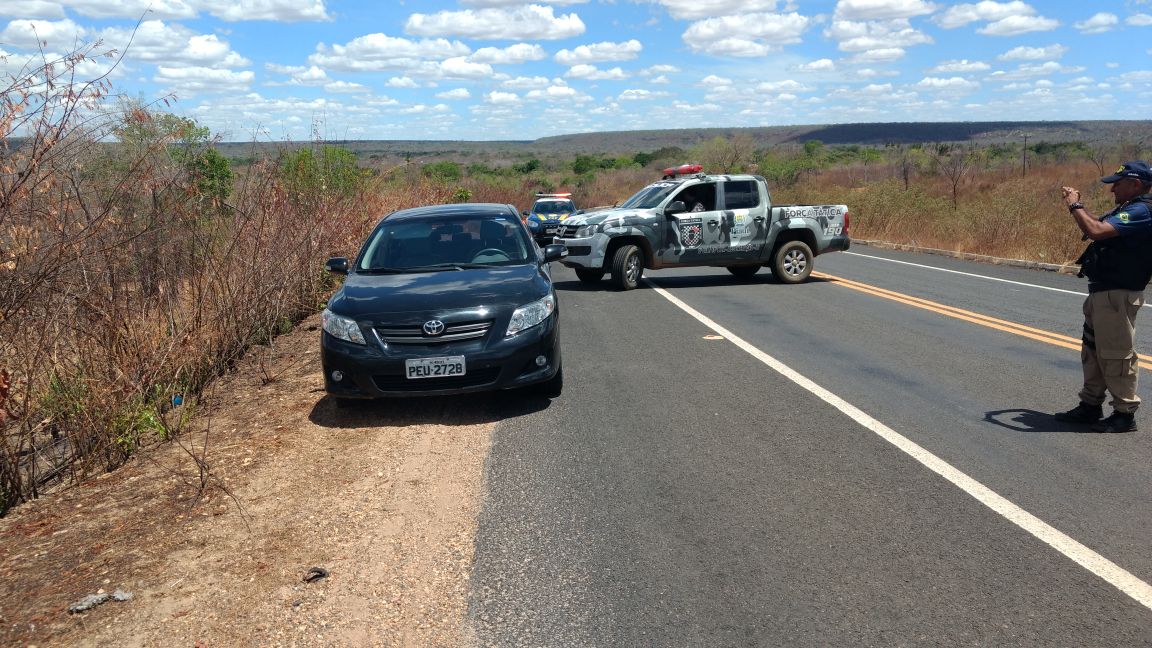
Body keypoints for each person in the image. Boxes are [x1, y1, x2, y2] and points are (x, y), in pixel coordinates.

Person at [1054, 160, 1152, 433]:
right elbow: (1097, 226)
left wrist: (1075, 205)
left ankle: (1124, 412)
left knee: (1117, 354)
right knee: (1093, 351)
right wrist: (1079, 208)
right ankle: (1090, 405)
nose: (1112, 190)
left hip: (1118, 294)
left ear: (1135, 184)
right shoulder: (1127, 209)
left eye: (1117, 184)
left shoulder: (1142, 211)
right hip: (1102, 291)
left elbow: (1095, 231)